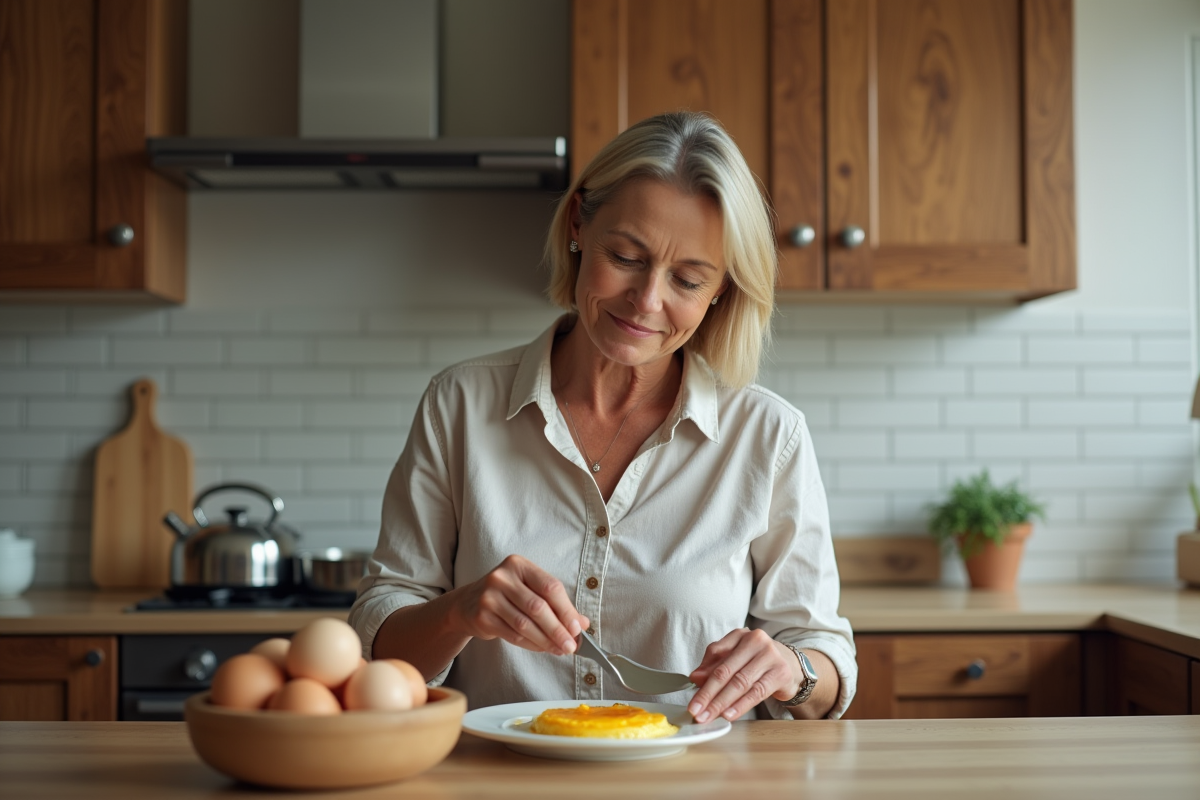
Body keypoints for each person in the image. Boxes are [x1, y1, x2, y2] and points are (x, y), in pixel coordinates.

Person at [349, 111, 856, 722]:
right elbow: (379, 641)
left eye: (688, 280)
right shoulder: (458, 405)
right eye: (625, 256)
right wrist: (458, 612)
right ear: (577, 225)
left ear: (721, 289)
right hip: (496, 769)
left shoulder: (768, 437)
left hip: (701, 775)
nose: (646, 302)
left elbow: (823, 654)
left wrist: (793, 670)